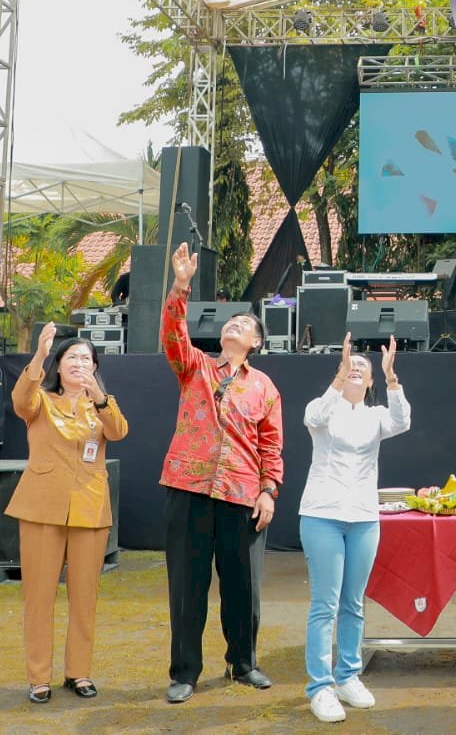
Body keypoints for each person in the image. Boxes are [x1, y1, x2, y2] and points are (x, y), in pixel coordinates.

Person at [160, 242, 284, 704]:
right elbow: (172, 334)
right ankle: (185, 672)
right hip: (188, 489)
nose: (236, 324)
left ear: (255, 344)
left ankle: (244, 662)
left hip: (241, 493)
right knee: (187, 586)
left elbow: (272, 444)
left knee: (243, 587)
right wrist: (180, 284)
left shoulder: (265, 387)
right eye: (233, 320)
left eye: (246, 325)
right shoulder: (195, 368)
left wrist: (268, 490)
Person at [4, 323, 129, 704]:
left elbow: (119, 432)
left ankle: (79, 672)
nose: (78, 363)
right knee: (39, 596)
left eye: (86, 359)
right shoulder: (42, 401)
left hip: (90, 507)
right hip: (43, 506)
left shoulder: (103, 404)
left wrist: (100, 396)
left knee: (84, 596)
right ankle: (38, 677)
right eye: (71, 357)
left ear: (95, 368)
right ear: (58, 367)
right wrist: (39, 354)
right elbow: (21, 400)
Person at [299, 335, 411, 723]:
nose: (356, 370)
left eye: (362, 369)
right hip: (321, 515)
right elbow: (314, 419)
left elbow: (402, 421)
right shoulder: (323, 407)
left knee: (353, 603)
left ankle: (348, 676)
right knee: (325, 605)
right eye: (350, 367)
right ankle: (320, 687)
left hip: (364, 517)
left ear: (370, 383)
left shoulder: (375, 416)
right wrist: (339, 375)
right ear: (339, 375)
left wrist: (391, 376)